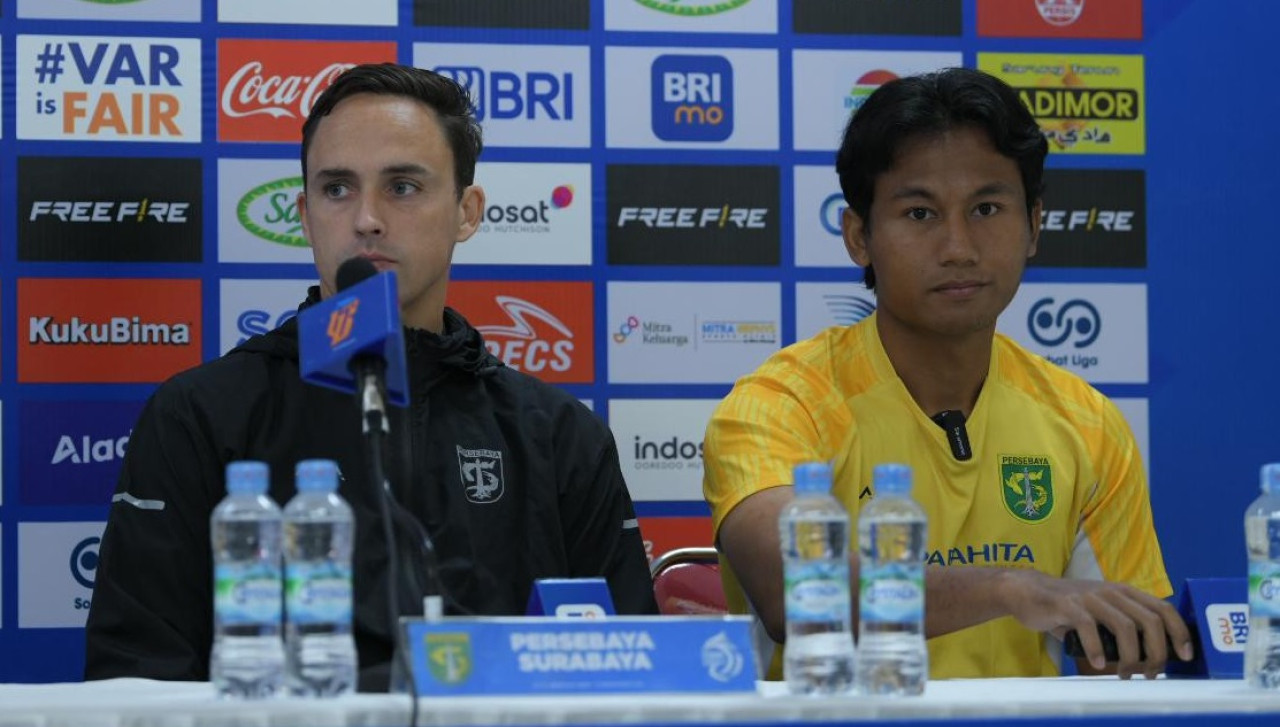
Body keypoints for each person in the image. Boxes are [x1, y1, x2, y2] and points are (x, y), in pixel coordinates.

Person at [85, 63, 657, 691]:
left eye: (403, 187)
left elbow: (633, 674)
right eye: (337, 189)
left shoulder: (560, 434)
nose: (366, 220)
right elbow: (139, 680)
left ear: (466, 212)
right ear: (305, 215)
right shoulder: (200, 414)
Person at [702, 67, 1191, 681]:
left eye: (986, 208)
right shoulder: (778, 406)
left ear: (1034, 226)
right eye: (920, 214)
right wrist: (1012, 587)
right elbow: (795, 590)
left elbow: (1124, 652)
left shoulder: (1084, 421)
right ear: (859, 236)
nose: (959, 246)